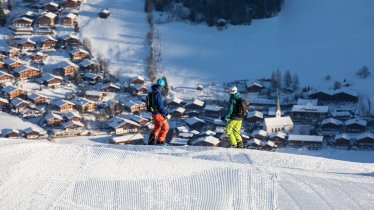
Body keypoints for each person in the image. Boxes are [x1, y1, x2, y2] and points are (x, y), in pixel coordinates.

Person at [147, 78, 169, 145]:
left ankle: (151, 141)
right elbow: (160, 104)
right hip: (158, 113)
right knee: (165, 127)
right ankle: (160, 141)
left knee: (157, 127)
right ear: (162, 86)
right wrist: (165, 112)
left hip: (154, 113)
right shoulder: (158, 93)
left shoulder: (153, 91)